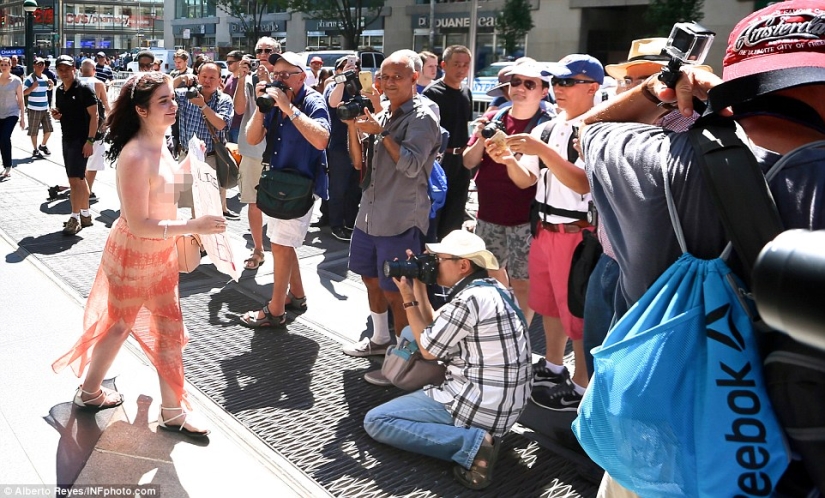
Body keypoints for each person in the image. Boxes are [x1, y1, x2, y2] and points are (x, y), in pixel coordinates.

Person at [581, 1, 825, 493]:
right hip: (788, 469)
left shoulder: (651, 159)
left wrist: (660, 86)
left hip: (659, 450)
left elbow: (588, 131)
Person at [51, 71, 226, 438]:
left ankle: (169, 409)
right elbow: (140, 223)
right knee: (120, 326)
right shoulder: (134, 154)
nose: (174, 105)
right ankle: (93, 392)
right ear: (142, 110)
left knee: (165, 328)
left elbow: (165, 193)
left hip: (159, 252)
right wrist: (194, 225)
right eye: (164, 101)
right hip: (135, 252)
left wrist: (191, 167)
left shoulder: (160, 142)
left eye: (172, 98)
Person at [363, 229, 531, 490]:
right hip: (505, 407)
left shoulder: (469, 300)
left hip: (478, 405)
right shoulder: (493, 289)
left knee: (377, 421)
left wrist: (407, 297)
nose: (434, 264)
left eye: (439, 260)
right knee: (411, 334)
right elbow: (432, 326)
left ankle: (472, 444)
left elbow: (429, 350)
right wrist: (420, 283)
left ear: (463, 265)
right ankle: (474, 437)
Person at [341, 50, 442, 385]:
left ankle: (403, 363)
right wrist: (353, 129)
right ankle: (380, 339)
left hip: (399, 218)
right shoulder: (384, 112)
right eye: (384, 77)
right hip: (369, 215)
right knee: (370, 279)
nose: (389, 83)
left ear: (415, 78)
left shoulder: (424, 116)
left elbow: (411, 166)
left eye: (397, 76)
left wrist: (382, 133)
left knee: (399, 293)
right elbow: (359, 163)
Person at [513, 54, 603, 411]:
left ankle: (581, 386)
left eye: (567, 82)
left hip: (578, 234)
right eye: (556, 82)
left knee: (577, 313)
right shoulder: (546, 128)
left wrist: (540, 150)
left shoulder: (598, 128)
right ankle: (553, 366)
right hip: (544, 228)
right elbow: (525, 179)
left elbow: (582, 184)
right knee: (548, 304)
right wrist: (506, 159)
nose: (558, 89)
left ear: (593, 87)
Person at [239, 51, 330, 328]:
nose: (278, 79)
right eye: (275, 74)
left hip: (301, 185)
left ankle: (275, 310)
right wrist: (261, 107)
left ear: (302, 77)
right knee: (284, 242)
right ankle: (297, 296)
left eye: (285, 75)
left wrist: (289, 109)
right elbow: (252, 138)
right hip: (279, 182)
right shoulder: (273, 100)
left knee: (280, 245)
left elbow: (322, 140)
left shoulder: (312, 100)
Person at [462, 63, 554, 330]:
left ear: (543, 91)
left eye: (529, 84)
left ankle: (520, 332)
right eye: (515, 82)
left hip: (526, 219)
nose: (520, 88)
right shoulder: (495, 116)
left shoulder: (546, 126)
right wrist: (481, 137)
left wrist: (509, 158)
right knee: (491, 275)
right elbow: (468, 162)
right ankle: (502, 323)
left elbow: (529, 179)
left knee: (523, 281)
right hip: (488, 213)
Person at [233, 36, 280, 271]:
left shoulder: (284, 76)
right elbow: (239, 109)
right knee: (253, 202)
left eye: (267, 51)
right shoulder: (248, 78)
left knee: (281, 203)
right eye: (258, 50)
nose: (262, 54)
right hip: (252, 150)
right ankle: (258, 249)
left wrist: (269, 81)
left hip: (279, 151)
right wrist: (242, 77)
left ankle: (282, 251)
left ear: (277, 54)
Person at [172, 61, 237, 219]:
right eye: (204, 76)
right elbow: (164, 92)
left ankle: (205, 232)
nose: (207, 81)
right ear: (197, 77)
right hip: (187, 157)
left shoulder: (224, 99)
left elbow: (221, 124)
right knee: (191, 202)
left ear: (220, 80)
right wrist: (180, 79)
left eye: (212, 78)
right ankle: (196, 230)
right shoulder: (185, 95)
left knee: (209, 204)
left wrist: (203, 106)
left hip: (211, 159)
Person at [424, 45, 473, 241]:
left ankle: (449, 254)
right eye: (456, 64)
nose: (461, 69)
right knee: (435, 211)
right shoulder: (432, 94)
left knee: (456, 211)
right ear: (443, 65)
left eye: (465, 65)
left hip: (462, 160)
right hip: (439, 161)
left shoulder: (467, 92)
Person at [51, 55, 98, 236]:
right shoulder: (59, 90)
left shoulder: (84, 89)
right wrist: (57, 115)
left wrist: (90, 141)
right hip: (68, 138)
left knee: (74, 180)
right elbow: (64, 112)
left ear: (74, 69)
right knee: (79, 178)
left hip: (81, 139)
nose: (64, 73)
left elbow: (94, 116)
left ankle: (74, 217)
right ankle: (85, 215)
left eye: (67, 69)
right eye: (60, 69)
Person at [325, 55, 364, 241]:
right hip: (338, 144)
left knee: (353, 188)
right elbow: (333, 103)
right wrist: (342, 80)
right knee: (338, 188)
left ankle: (350, 222)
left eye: (355, 66)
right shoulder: (333, 86)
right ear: (337, 71)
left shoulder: (358, 89)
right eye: (345, 66)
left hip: (357, 143)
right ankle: (336, 225)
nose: (351, 68)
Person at [79, 59, 112, 201]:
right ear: (94, 70)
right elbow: (105, 104)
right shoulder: (98, 84)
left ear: (81, 70)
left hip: (75, 129)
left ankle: (78, 188)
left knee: (78, 160)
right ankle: (88, 191)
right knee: (93, 162)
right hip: (94, 129)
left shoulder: (73, 83)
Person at [23, 57, 54, 160]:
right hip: (34, 108)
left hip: (45, 108)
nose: (41, 66)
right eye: (38, 64)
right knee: (34, 131)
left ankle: (43, 145)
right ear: (34, 66)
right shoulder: (29, 79)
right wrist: (32, 87)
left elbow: (47, 89)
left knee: (49, 129)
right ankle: (35, 149)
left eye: (42, 64)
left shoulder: (45, 77)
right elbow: (23, 93)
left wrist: (51, 85)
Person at [0, 57, 25, 179]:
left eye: (6, 65)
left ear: (10, 66)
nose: (4, 67)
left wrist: (23, 118)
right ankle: (5, 164)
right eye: (2, 65)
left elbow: (21, 100)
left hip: (12, 113)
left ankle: (8, 166)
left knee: (5, 136)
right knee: (1, 139)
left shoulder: (16, 81)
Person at [222, 49, 245, 144]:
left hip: (239, 124)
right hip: (228, 123)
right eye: (227, 62)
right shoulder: (228, 77)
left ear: (240, 62)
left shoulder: (245, 79)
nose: (228, 65)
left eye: (230, 62)